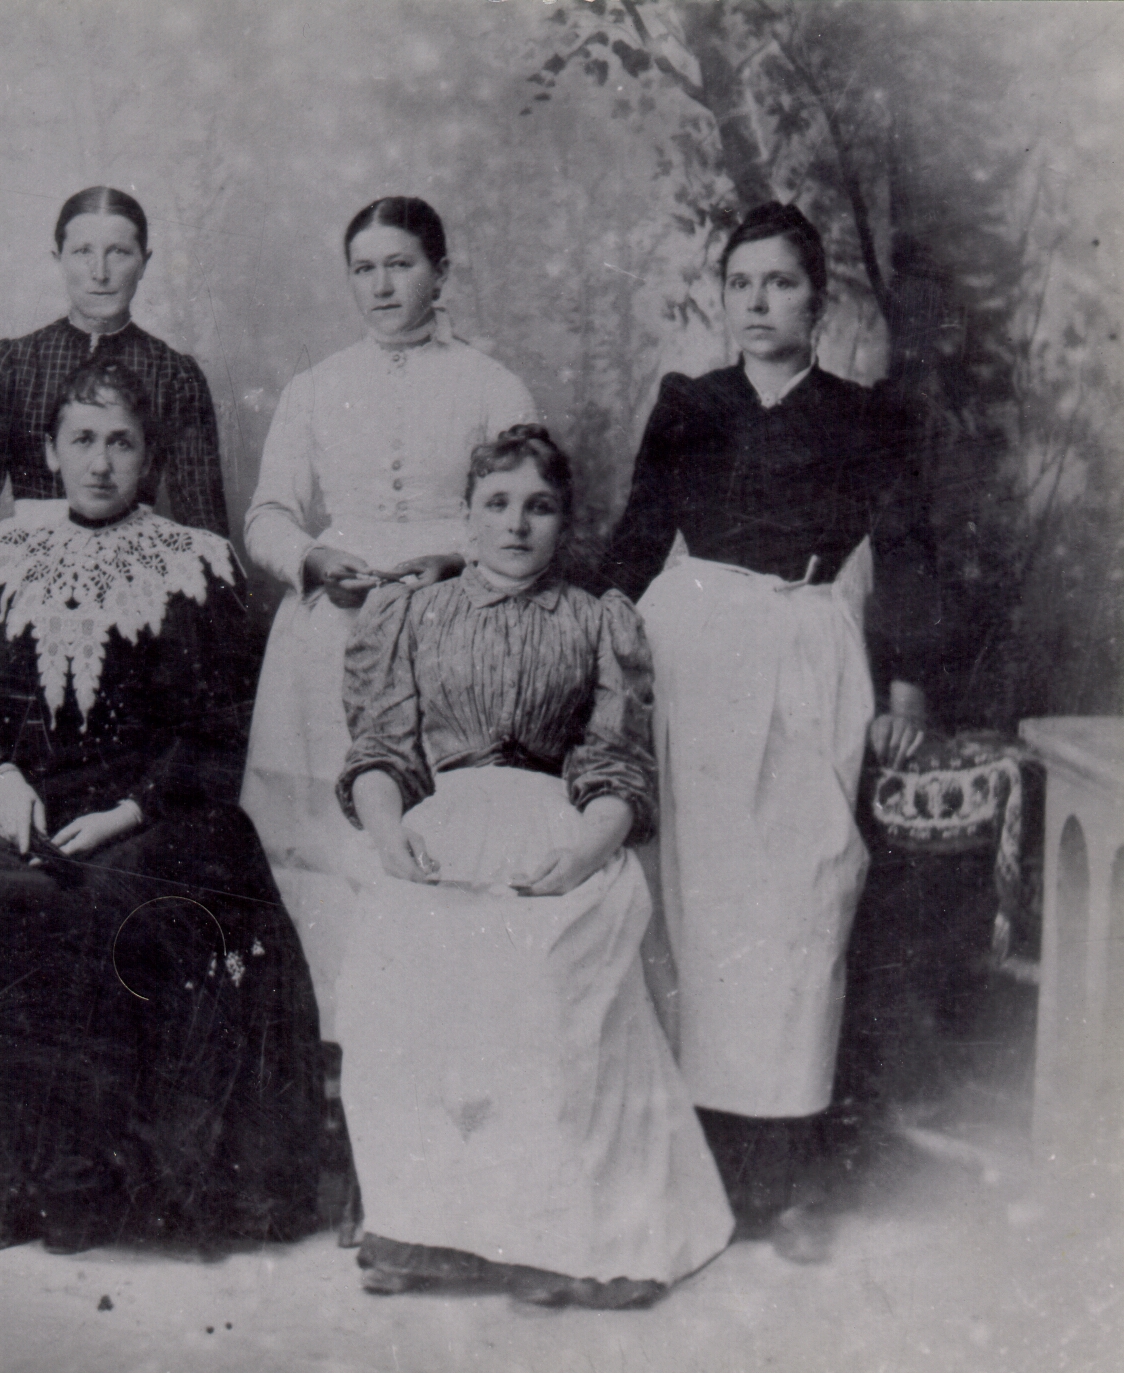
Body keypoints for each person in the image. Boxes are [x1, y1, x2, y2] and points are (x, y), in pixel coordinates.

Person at [0, 359, 321, 1256]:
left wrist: (131, 810)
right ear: (50, 452)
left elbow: (216, 729)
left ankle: (98, 1183)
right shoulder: (12, 554)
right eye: (82, 440)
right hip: (31, 800)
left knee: (104, 904)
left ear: (150, 456)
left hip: (160, 811)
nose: (100, 462)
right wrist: (3, 779)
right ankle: (2, 1175)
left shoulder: (194, 563)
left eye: (121, 443)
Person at [598, 202, 940, 1261]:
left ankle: (788, 1176)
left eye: (780, 283)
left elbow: (908, 549)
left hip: (807, 657)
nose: (757, 303)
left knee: (800, 901)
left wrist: (907, 686)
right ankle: (694, 1167)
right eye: (740, 283)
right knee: (694, 903)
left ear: (817, 301)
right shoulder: (690, 404)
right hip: (694, 655)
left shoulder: (865, 415)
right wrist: (594, 634)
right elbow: (638, 535)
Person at [337, 425, 733, 1307]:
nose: (516, 525)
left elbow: (616, 766)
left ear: (564, 521)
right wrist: (390, 836)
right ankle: (422, 1224)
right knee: (406, 966)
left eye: (539, 506)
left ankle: (553, 1236)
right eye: (498, 503)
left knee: (550, 976)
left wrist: (584, 852)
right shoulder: (413, 614)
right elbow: (381, 749)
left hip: (558, 830)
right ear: (467, 516)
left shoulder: (598, 620)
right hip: (437, 830)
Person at [241, 196, 537, 1042]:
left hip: (453, 626)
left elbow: (531, 506)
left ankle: (424, 1040)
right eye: (363, 269)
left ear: (440, 273)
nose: (381, 285)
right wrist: (312, 560)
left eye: (400, 265)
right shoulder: (316, 387)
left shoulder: (492, 385)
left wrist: (460, 563)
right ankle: (332, 1040)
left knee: (431, 824)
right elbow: (268, 514)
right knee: (319, 840)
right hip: (330, 634)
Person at [0, 186, 229, 536]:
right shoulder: (11, 365)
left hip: (137, 562)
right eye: (83, 252)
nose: (100, 273)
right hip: (30, 560)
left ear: (144, 262)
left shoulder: (173, 374)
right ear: (58, 259)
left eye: (119, 252)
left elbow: (205, 525)